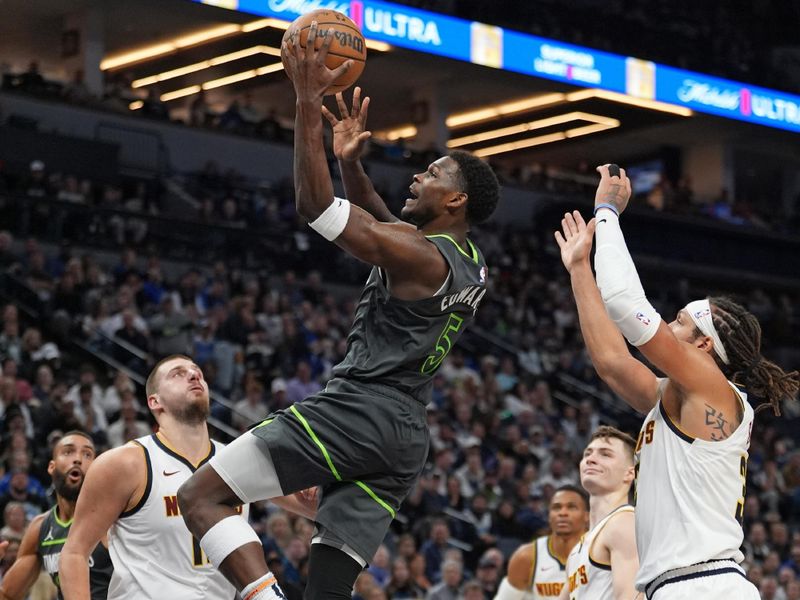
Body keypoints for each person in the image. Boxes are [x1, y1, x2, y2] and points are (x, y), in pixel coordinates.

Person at [177, 21, 500, 600]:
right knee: (326, 589)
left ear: (456, 199)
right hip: (403, 437)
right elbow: (388, 227)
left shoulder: (423, 256)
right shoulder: (469, 260)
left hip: (359, 408)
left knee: (201, 497)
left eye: (433, 175)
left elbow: (315, 206)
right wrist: (349, 160)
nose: (420, 176)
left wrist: (306, 100)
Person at [554, 165, 799, 598]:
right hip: (685, 585)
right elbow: (612, 362)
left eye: (681, 322)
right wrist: (579, 270)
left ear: (704, 346)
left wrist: (607, 211)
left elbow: (628, 306)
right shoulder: (678, 401)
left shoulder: (712, 389)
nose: (669, 325)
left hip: (701, 585)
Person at [59, 355, 317, 600]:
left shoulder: (239, 461)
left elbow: (317, 508)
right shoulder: (125, 463)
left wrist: (317, 485)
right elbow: (74, 552)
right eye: (178, 374)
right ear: (154, 402)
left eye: (197, 372)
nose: (194, 376)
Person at [0, 431, 112, 600]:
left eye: (87, 454)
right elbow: (8, 594)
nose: (78, 459)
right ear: (51, 466)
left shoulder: (114, 519)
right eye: (68, 452)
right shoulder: (40, 528)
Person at [558, 427, 638, 600]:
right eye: (587, 454)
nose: (591, 460)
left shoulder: (624, 522)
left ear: (630, 473)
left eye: (605, 454)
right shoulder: (577, 550)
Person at [496, 485, 589, 599]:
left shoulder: (603, 553)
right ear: (549, 516)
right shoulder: (526, 557)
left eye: (571, 507)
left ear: (587, 516)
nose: (563, 513)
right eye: (556, 507)